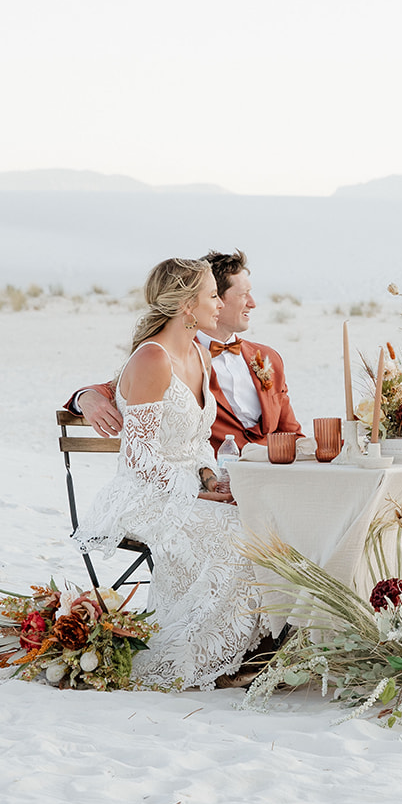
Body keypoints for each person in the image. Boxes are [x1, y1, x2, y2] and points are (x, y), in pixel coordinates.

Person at [73, 257, 268, 690]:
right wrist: (193, 493)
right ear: (187, 305)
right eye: (212, 296)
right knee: (231, 532)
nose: (219, 304)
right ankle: (195, 656)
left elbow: (197, 441)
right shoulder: (151, 360)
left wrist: (208, 477)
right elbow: (139, 457)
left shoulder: (200, 353)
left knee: (257, 520)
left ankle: (240, 649)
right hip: (142, 495)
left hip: (186, 486)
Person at [68, 249, 302, 453]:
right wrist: (85, 397)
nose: (252, 303)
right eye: (243, 294)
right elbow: (124, 386)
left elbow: (291, 433)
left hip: (269, 478)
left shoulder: (268, 358)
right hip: (215, 477)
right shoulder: (178, 354)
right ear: (211, 298)